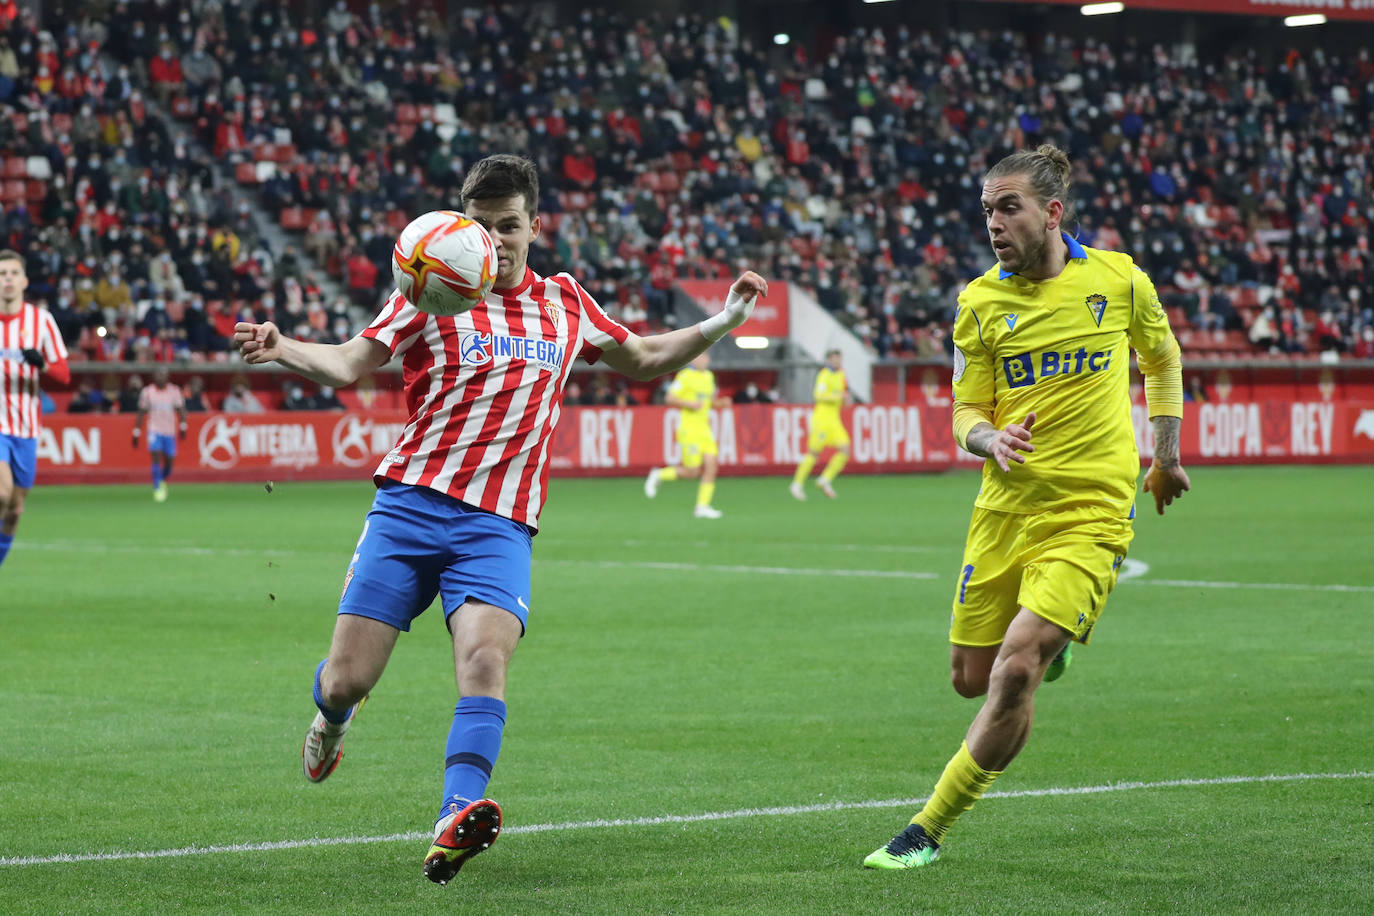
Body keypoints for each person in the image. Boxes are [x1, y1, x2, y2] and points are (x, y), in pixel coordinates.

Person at [233, 154, 766, 885]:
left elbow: (640, 357)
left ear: (535, 226)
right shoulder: (429, 290)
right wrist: (283, 347)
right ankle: (331, 717)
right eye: (480, 225)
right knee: (350, 679)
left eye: (507, 225)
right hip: (409, 507)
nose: (493, 240)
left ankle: (456, 814)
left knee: (484, 660)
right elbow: (351, 363)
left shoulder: (566, 301)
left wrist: (726, 320)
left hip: (499, 524)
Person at [864, 145, 1190, 870]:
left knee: (1016, 671)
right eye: (986, 210)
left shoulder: (1118, 279)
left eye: (1007, 207)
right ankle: (1056, 640)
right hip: (1005, 511)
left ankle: (925, 831)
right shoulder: (979, 304)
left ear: (1051, 212)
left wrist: (1165, 457)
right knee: (970, 679)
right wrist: (987, 437)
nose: (993, 223)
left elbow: (1162, 359)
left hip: (1092, 512)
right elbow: (964, 408)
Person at [0, 249, 70, 570]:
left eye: (13, 273)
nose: (8, 280)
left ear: (25, 280)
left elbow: (64, 375)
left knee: (14, 510)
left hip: (26, 428)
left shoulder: (40, 321)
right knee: (1, 493)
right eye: (2, 274)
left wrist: (41, 363)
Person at [642, 351, 731, 519]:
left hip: (704, 429)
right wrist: (688, 403)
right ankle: (658, 474)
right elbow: (669, 398)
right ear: (694, 359)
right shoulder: (684, 376)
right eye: (701, 356)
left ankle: (702, 507)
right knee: (692, 472)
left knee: (712, 466)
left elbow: (709, 402)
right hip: (689, 430)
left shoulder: (709, 377)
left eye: (706, 356)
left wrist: (721, 403)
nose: (705, 359)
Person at [789, 348, 851, 500]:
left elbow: (843, 395)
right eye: (835, 359)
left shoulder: (841, 374)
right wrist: (838, 396)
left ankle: (825, 480)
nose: (838, 362)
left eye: (839, 359)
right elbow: (818, 395)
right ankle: (797, 484)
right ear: (828, 360)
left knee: (845, 449)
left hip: (835, 420)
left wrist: (845, 399)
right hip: (821, 420)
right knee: (813, 453)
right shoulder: (824, 375)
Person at [133, 367, 188, 502]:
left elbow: (181, 410)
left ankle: (162, 478)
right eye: (158, 375)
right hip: (154, 430)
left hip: (169, 431)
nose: (160, 378)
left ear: (167, 377)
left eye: (163, 375)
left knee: (169, 462)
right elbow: (141, 412)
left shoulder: (174, 391)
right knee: (156, 457)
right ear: (154, 377)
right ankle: (157, 486)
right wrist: (136, 431)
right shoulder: (148, 392)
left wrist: (183, 425)